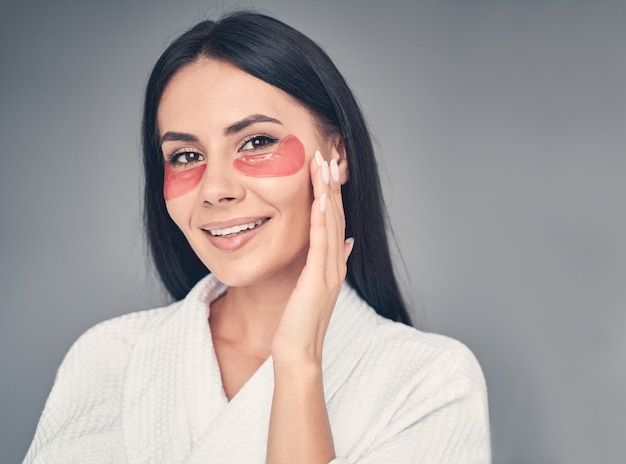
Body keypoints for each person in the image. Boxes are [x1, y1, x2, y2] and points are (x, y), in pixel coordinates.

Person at [24, 11, 490, 464]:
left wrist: (298, 362)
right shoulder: (104, 359)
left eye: (257, 142)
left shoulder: (431, 383)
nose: (216, 190)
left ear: (337, 153)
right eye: (186, 155)